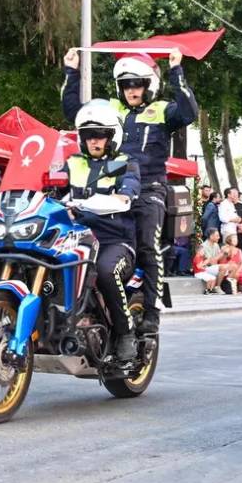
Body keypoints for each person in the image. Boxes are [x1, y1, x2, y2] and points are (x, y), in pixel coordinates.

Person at [63, 47, 198, 334]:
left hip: (149, 189)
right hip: (111, 191)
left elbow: (189, 111)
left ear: (149, 85)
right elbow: (74, 113)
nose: (131, 90)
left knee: (149, 245)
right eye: (125, 84)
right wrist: (71, 72)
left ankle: (152, 311)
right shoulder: (111, 110)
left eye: (136, 84)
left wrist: (176, 70)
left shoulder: (162, 110)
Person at [62, 99, 142, 361]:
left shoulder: (126, 163)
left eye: (101, 136)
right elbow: (51, 188)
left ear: (112, 137)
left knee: (107, 272)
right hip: (76, 239)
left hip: (114, 240)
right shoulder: (72, 163)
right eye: (88, 136)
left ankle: (126, 333)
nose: (94, 141)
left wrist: (113, 200)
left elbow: (127, 194)